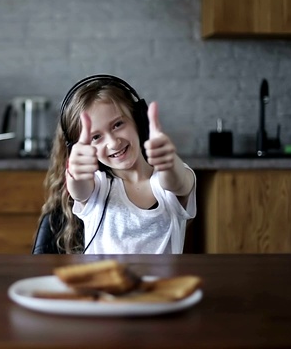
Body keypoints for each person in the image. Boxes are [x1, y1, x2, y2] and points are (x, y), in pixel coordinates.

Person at [32, 74, 196, 254]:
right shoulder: (97, 187)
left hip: (159, 283)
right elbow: (79, 189)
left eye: (118, 124)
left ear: (138, 120)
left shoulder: (169, 181)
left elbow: (177, 181)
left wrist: (169, 163)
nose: (112, 142)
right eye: (96, 137)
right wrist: (76, 173)